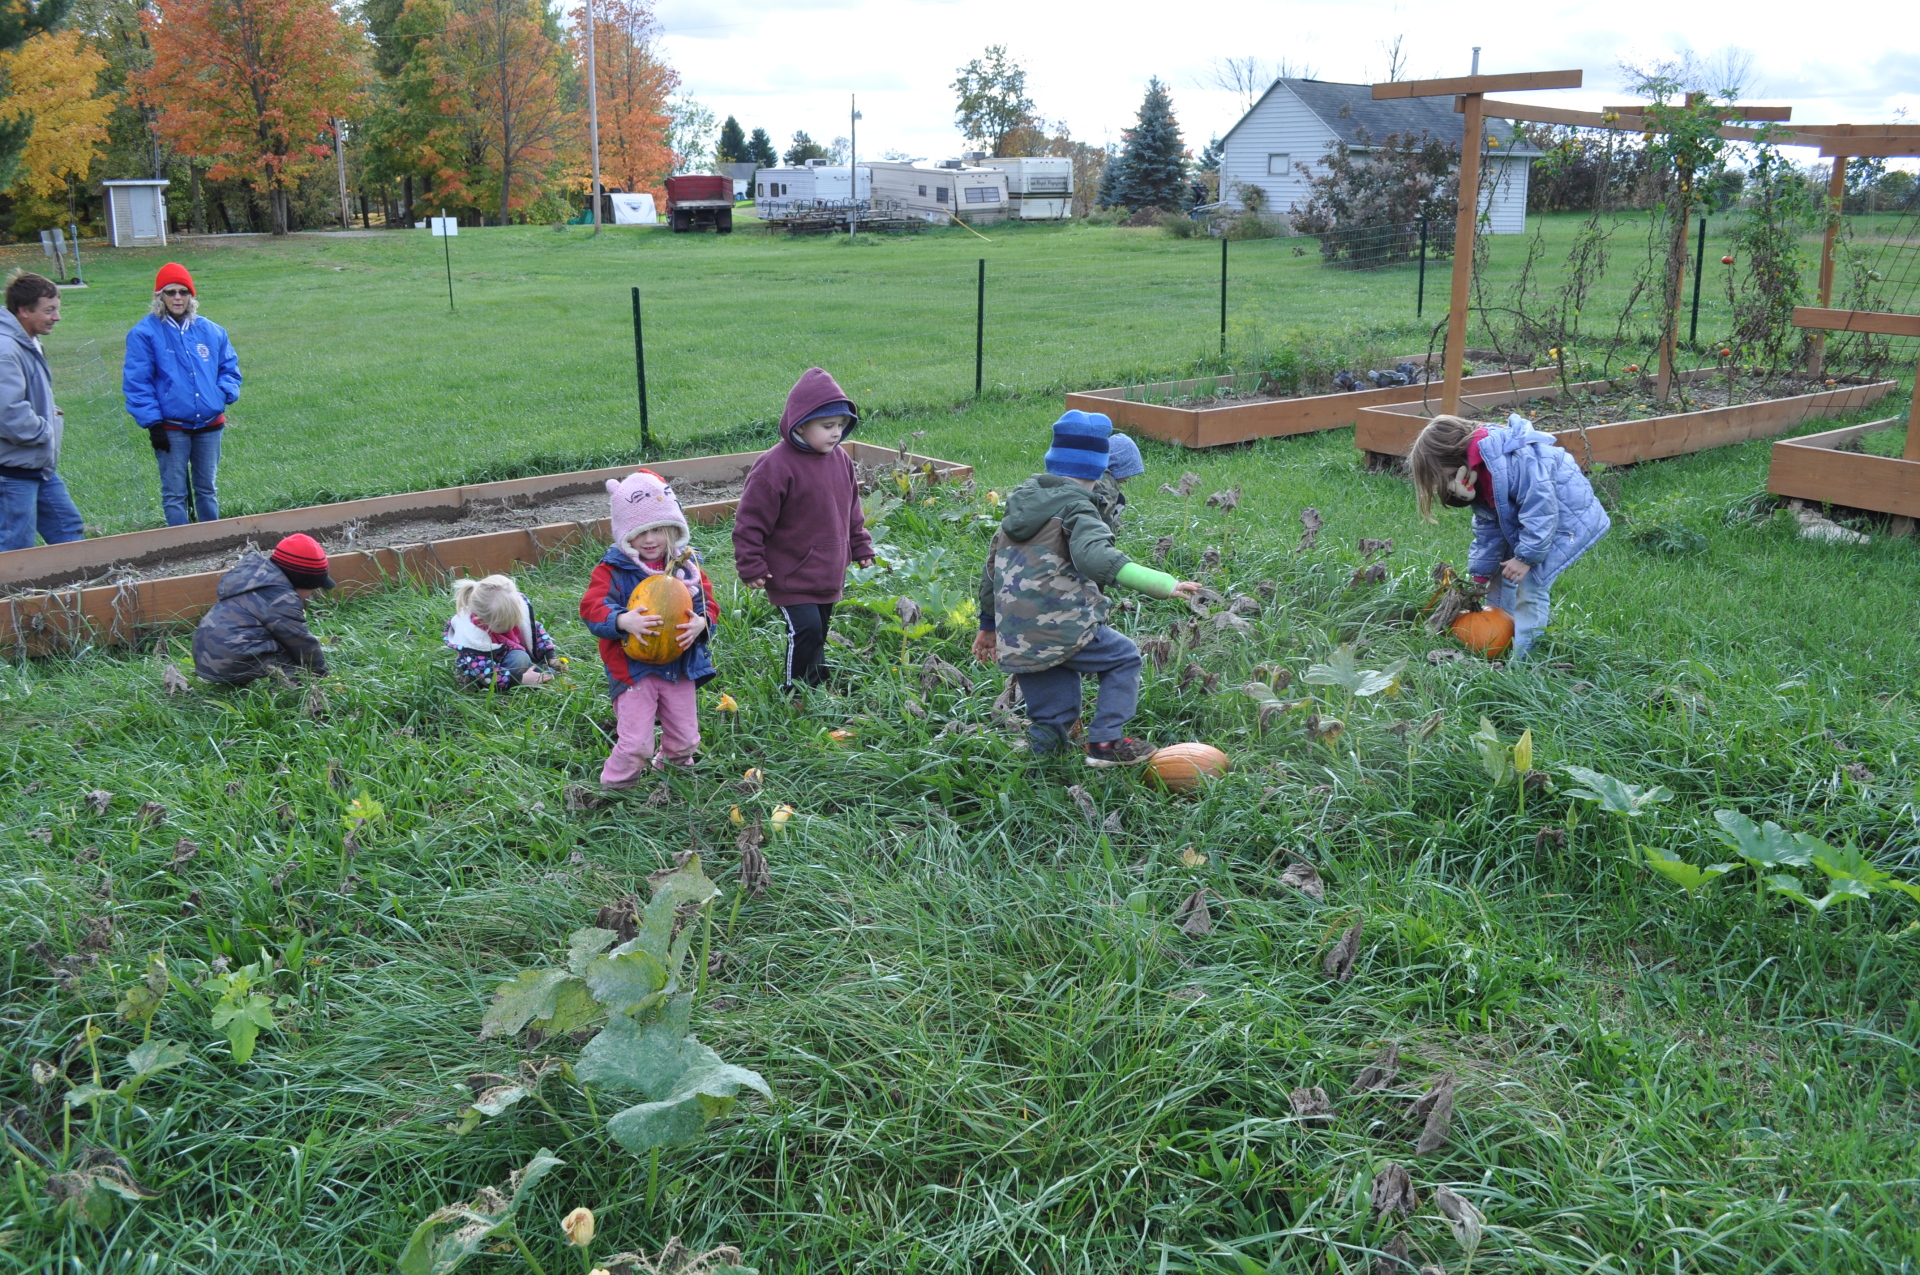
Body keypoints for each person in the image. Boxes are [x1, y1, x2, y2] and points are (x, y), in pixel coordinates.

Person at [971, 410, 1202, 766]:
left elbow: (990, 572)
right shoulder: (1078, 508)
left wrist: (988, 626)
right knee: (1123, 657)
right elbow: (1095, 556)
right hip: (1059, 622)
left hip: (1016, 634)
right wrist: (1161, 583)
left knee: (1052, 711)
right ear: (1099, 468)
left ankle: (1039, 768)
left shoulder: (1020, 506)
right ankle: (1106, 743)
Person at [1406, 413, 1610, 662]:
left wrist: (1525, 557)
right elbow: (1489, 527)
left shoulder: (1514, 462)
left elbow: (1541, 511)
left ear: (1455, 458)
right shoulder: (1477, 473)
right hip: (1534, 520)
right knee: (1500, 575)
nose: (1446, 485)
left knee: (1532, 584)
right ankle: (1501, 638)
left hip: (1565, 519)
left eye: (1444, 478)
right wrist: (1481, 574)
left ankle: (1525, 662)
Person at [731, 367, 874, 692]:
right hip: (790, 571)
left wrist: (861, 545)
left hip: (828, 570)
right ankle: (794, 693)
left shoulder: (841, 461)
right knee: (805, 629)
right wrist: (751, 565)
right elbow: (749, 522)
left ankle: (817, 683)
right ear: (801, 423)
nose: (836, 433)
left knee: (819, 629)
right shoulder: (775, 467)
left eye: (840, 425)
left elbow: (852, 509)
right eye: (827, 426)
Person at [582, 471, 718, 786]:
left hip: (679, 665)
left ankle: (673, 777)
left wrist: (702, 621)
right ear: (625, 535)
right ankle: (616, 787)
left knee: (686, 739)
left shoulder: (688, 567)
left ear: (673, 528)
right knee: (636, 744)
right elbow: (592, 607)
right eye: (639, 532)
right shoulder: (613, 569)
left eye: (657, 529)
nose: (650, 539)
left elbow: (708, 603)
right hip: (632, 670)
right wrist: (622, 620)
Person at [122, 262, 241, 526]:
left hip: (210, 425)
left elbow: (229, 368)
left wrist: (221, 395)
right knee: (175, 493)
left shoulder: (211, 331)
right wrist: (153, 424)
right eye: (171, 292)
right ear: (159, 296)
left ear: (191, 296)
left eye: (183, 292)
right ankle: (183, 549)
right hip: (171, 428)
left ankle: (213, 543)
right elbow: (137, 383)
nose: (178, 297)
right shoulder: (144, 334)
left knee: (207, 489)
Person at [0, 270, 84, 552]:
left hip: (38, 466)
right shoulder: (6, 349)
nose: (56, 317)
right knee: (16, 546)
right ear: (24, 310)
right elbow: (8, 413)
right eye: (49, 310)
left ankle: (86, 591)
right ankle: (12, 596)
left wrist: (49, 412)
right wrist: (44, 428)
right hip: (12, 470)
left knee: (68, 530)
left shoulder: (29, 341)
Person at [191, 533, 332, 684]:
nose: (311, 595)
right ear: (302, 583)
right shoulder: (281, 598)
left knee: (273, 639)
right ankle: (292, 689)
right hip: (231, 662)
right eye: (313, 589)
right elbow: (300, 642)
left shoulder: (255, 579)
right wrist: (322, 675)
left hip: (205, 656)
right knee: (293, 661)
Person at [444, 573, 557, 690]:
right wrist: (520, 680)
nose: (510, 626)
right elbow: (486, 673)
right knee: (520, 657)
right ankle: (515, 684)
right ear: (482, 620)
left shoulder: (511, 612)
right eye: (502, 624)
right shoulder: (471, 639)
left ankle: (540, 673)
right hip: (487, 673)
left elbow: (536, 632)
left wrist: (550, 656)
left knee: (549, 673)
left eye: (514, 620)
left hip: (510, 657)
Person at [1092, 431, 1145, 530]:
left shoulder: (1089, 471)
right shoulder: (1106, 485)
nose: (1127, 480)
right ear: (1117, 466)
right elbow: (1103, 529)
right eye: (1126, 473)